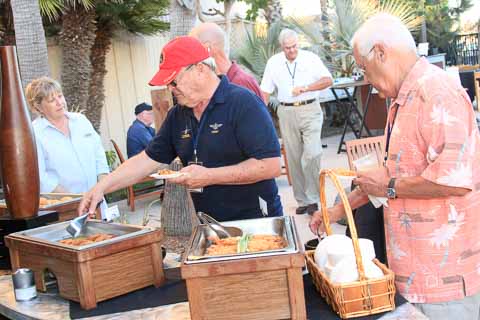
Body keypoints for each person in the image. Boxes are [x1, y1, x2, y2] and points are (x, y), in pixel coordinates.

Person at [310, 13, 480, 319]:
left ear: (381, 52)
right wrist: (339, 210)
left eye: (364, 69)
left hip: (445, 277)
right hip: (412, 272)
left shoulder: (437, 92)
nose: (366, 79)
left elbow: (455, 180)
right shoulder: (404, 98)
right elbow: (392, 175)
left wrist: (389, 186)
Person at [79, 36, 283, 222]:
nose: (170, 88)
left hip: (257, 222)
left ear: (201, 69)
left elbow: (271, 165)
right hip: (209, 225)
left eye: (174, 81)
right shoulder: (177, 115)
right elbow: (146, 161)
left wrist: (209, 176)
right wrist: (101, 187)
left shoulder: (243, 103)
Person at [260, 28, 333, 215]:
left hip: (310, 108)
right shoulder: (273, 63)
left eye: (294, 47)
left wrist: (307, 88)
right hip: (286, 111)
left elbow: (328, 80)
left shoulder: (310, 58)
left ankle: (314, 198)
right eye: (287, 48)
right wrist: (260, 113)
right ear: (281, 47)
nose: (291, 51)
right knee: (293, 157)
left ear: (297, 44)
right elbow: (265, 91)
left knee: (312, 153)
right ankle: (302, 200)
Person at [25, 77, 110, 195]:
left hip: (97, 199)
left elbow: (98, 154)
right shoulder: (34, 133)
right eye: (51, 100)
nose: (59, 103)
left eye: (60, 96)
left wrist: (102, 186)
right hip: (66, 206)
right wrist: (74, 199)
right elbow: (41, 178)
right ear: (38, 107)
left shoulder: (81, 120)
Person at [189, 22, 264, 101]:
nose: (189, 54)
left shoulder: (241, 84)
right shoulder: (217, 83)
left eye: (192, 48)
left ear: (207, 48)